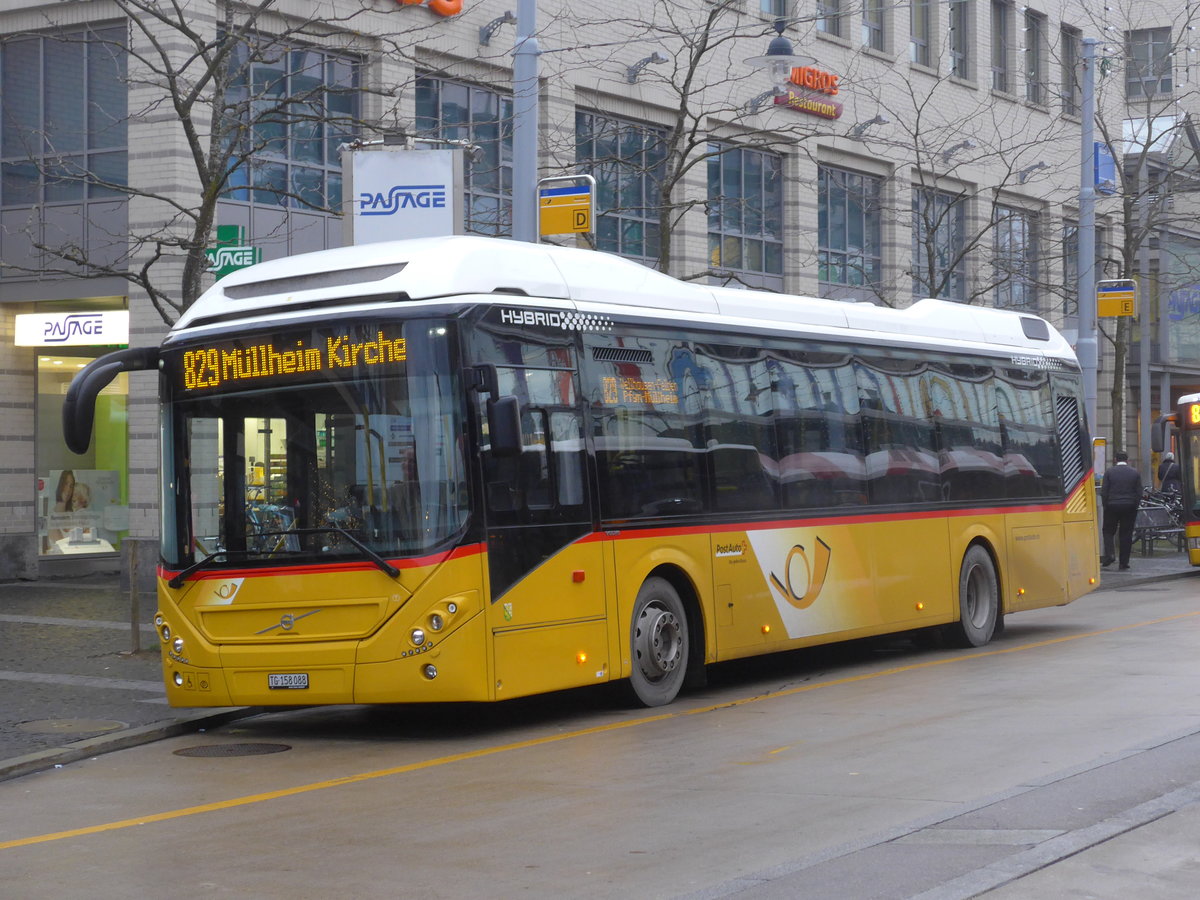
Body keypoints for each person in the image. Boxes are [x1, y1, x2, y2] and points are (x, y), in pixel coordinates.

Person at [1100, 450, 1143, 570]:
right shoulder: (1135, 473)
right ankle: (1124, 562)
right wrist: (1135, 505)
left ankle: (1110, 554)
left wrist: (1106, 505)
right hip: (1129, 506)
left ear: (1115, 460)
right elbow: (1139, 492)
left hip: (1112, 505)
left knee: (1108, 531)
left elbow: (1104, 491)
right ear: (1127, 460)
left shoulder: (1109, 472)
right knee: (1126, 534)